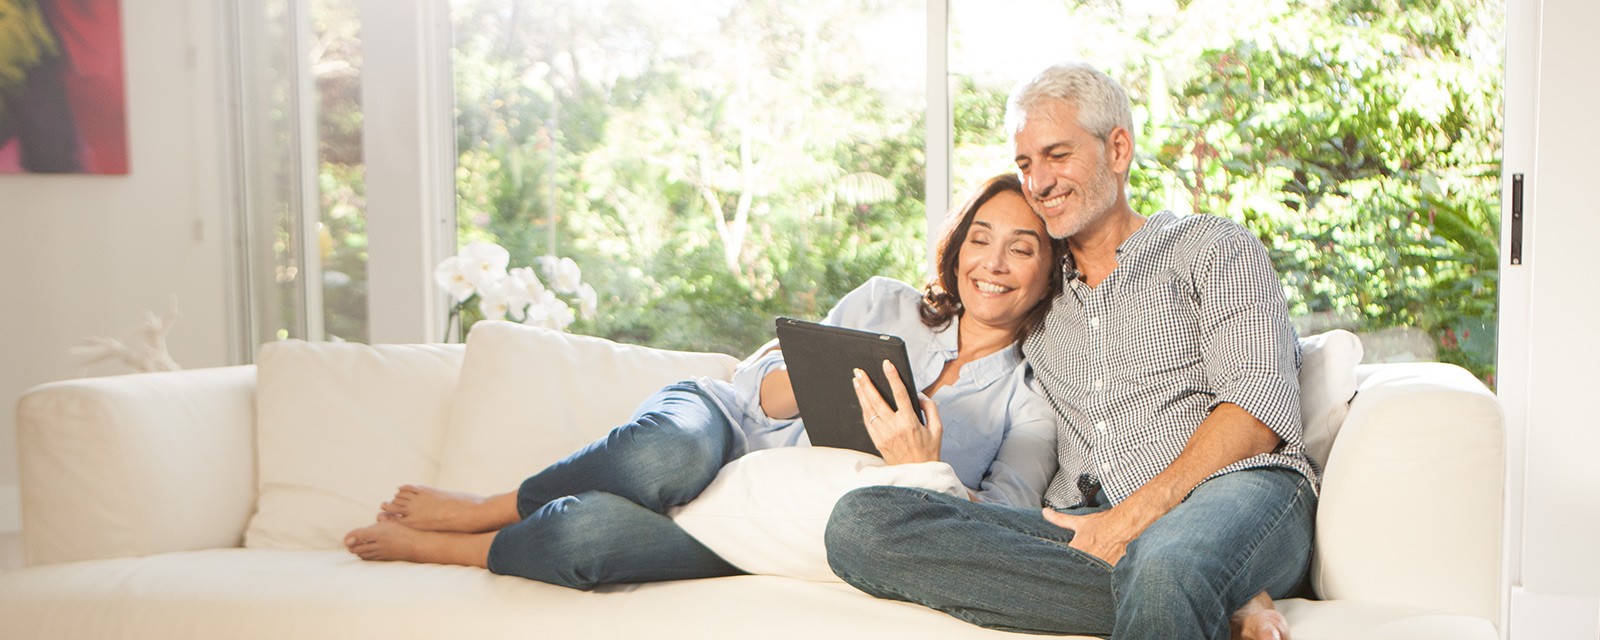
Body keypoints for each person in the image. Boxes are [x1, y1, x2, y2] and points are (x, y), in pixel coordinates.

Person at [342, 173, 1067, 590]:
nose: (993, 264)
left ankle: (458, 549)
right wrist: (818, 392)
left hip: (769, 527)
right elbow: (757, 393)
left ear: (1048, 272)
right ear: (957, 245)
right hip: (727, 429)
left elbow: (1002, 522)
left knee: (588, 542)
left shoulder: (1029, 400)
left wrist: (922, 469)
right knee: (666, 459)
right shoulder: (886, 302)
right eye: (980, 238)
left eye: (1021, 248)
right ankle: (488, 508)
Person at [824, 63, 1317, 640]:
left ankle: (1185, 583)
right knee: (862, 522)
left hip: (1235, 492)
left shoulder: (1209, 247)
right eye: (1026, 164)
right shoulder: (1038, 292)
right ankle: (1216, 602)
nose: (1040, 182)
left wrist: (1133, 520)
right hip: (1083, 518)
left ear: (1118, 148)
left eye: (1058, 155)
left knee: (1165, 563)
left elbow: (1259, 408)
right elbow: (963, 288)